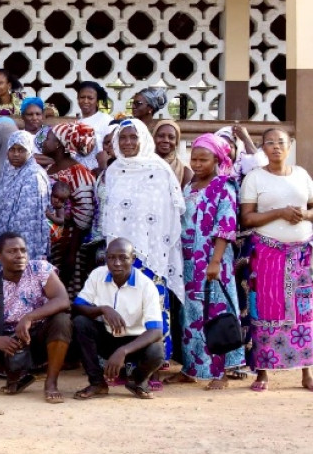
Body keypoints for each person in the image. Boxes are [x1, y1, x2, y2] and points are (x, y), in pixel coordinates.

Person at [102, 119, 185, 371]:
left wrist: (154, 248)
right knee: (123, 307)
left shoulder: (159, 169)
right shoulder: (114, 171)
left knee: (152, 308)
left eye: (133, 137)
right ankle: (124, 365)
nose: (127, 143)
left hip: (151, 253)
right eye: (123, 138)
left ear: (142, 139)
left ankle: (155, 366)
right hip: (119, 255)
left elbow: (171, 211)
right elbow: (108, 213)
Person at [167, 134, 246, 389]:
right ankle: (191, 368)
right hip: (190, 262)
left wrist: (215, 261)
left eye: (204, 159)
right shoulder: (190, 186)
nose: (198, 164)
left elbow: (226, 227)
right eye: (194, 159)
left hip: (214, 261)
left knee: (217, 313)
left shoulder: (225, 186)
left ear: (217, 159)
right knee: (191, 317)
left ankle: (220, 373)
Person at [239, 128, 313, 392]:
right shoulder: (255, 178)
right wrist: (279, 212)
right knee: (266, 309)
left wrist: (302, 216)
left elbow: (312, 208)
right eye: (269, 143)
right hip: (268, 253)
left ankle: (306, 372)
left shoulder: (302, 175)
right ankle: (263, 372)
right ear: (262, 148)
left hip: (302, 254)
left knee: (304, 312)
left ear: (290, 146)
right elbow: (247, 218)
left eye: (280, 142)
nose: (275, 147)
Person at [0, 233, 73, 403]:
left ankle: (51, 383)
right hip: (8, 343)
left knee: (62, 320)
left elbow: (63, 300)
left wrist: (30, 317)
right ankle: (17, 374)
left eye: (23, 250)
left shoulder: (40, 269)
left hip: (40, 337)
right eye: (12, 251)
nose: (19, 255)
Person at [72, 238, 167, 400]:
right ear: (105, 258)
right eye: (111, 257)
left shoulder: (146, 286)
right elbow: (78, 306)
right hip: (109, 338)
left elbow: (156, 331)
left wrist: (123, 351)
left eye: (123, 258)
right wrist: (102, 309)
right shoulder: (98, 275)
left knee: (157, 351)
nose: (117, 263)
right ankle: (97, 383)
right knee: (80, 323)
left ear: (133, 259)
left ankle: (138, 381)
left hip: (136, 343)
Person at [0, 131, 51, 274]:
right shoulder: (9, 172)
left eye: (21, 150)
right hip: (1, 244)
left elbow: (27, 224)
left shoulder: (34, 177)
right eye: (12, 149)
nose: (16, 154)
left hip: (19, 248)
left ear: (30, 151)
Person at [42, 122, 97, 297]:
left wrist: (71, 253)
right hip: (50, 243)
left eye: (49, 138)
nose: (44, 141)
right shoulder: (49, 168)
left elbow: (85, 213)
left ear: (59, 143)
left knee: (67, 290)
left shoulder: (78, 173)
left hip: (68, 244)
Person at [75, 81, 113, 169]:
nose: (85, 101)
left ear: (97, 101)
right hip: (79, 168)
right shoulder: (77, 124)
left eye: (90, 98)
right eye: (82, 97)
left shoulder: (106, 120)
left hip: (99, 169)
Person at [153, 119, 192, 187]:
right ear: (154, 138)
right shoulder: (143, 166)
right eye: (161, 136)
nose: (166, 140)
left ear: (176, 142)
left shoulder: (185, 172)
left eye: (171, 137)